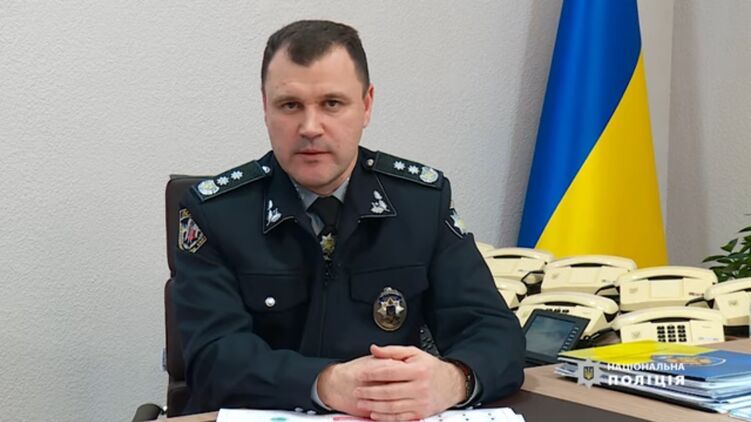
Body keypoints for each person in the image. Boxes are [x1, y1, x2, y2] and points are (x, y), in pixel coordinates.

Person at [173, 19, 525, 421]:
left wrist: (454, 379)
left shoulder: (420, 203)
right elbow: (212, 360)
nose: (310, 128)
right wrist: (325, 383)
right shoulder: (216, 213)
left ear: (367, 105)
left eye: (332, 104)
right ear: (265, 107)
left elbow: (495, 333)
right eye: (290, 105)